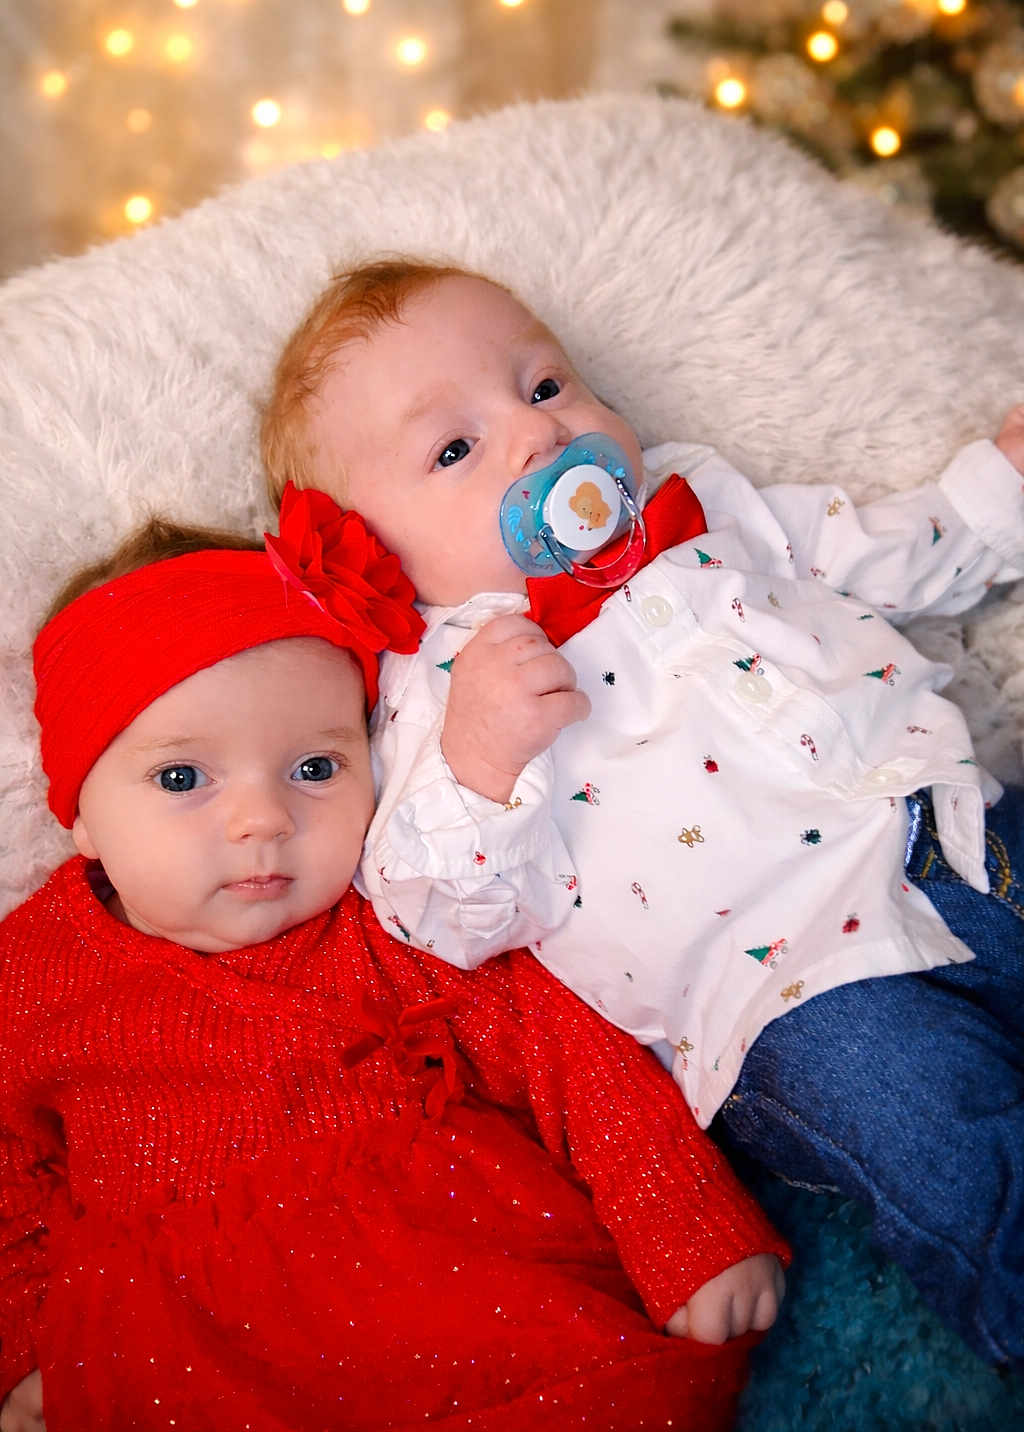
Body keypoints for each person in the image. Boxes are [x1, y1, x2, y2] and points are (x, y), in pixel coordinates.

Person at [260, 257, 1024, 1370]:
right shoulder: (434, 686)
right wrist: (480, 759)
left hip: (948, 828)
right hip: (786, 994)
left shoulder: (698, 502)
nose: (535, 440)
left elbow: (876, 557)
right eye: (454, 449)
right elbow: (438, 915)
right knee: (938, 1134)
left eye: (543, 387)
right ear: (379, 551)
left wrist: (994, 490)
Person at [0, 496, 789, 1432]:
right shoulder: (33, 975)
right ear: (79, 814)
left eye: (315, 769)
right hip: (181, 1343)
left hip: (466, 1290)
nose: (264, 820)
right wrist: (25, 1336)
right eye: (183, 779)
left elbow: (570, 1057)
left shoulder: (398, 916)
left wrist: (687, 1226)